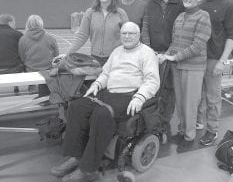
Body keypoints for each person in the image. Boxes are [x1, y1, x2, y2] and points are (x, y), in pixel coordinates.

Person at [50, 22, 160, 182]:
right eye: (124, 33)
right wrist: (97, 84)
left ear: (138, 35)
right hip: (108, 92)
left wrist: (140, 97)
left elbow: (152, 81)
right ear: (120, 35)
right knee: (77, 106)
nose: (127, 36)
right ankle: (77, 156)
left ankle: (89, 169)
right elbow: (105, 73)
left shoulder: (147, 53)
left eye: (131, 33)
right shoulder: (117, 51)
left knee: (100, 114)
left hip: (129, 95)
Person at [159, 0, 211, 152]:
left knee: (190, 104)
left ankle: (189, 136)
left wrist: (174, 57)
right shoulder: (180, 17)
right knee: (180, 103)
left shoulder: (203, 16)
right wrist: (165, 55)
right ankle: (181, 131)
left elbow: (197, 46)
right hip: (177, 66)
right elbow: (175, 43)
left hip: (193, 68)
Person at [197, 0, 233, 146]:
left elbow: (232, 35)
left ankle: (212, 130)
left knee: (212, 98)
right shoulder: (200, 2)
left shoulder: (228, 5)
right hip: (197, 58)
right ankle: (198, 122)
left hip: (214, 59)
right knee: (197, 95)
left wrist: (223, 61)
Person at [141, 0, 184, 136]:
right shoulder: (150, 4)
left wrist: (168, 53)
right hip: (152, 55)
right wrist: (150, 51)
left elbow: (180, 32)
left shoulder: (180, 3)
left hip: (171, 56)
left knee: (168, 92)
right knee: (152, 89)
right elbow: (144, 28)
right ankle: (152, 122)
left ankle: (164, 125)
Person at [67, 0, 128, 66]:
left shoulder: (121, 14)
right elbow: (81, 36)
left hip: (116, 59)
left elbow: (128, 37)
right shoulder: (90, 13)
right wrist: (67, 54)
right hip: (96, 60)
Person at [18, 15, 59, 97]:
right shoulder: (50, 38)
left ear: (28, 25)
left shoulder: (23, 39)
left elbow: (22, 57)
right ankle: (45, 91)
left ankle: (33, 87)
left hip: (31, 69)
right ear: (41, 24)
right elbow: (56, 55)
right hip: (48, 69)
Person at [0, 14, 24, 93]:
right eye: (14, 23)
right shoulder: (18, 34)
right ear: (10, 23)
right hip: (13, 69)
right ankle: (29, 85)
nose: (15, 25)